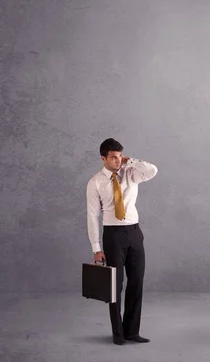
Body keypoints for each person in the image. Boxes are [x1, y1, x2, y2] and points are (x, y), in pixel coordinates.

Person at [86, 138, 158, 344]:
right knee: (115, 285)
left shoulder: (130, 173)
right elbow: (92, 216)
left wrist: (129, 160)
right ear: (103, 158)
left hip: (135, 233)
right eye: (113, 157)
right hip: (113, 235)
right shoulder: (95, 182)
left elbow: (153, 170)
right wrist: (96, 248)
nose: (118, 161)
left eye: (119, 156)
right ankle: (118, 333)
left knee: (137, 281)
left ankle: (132, 331)